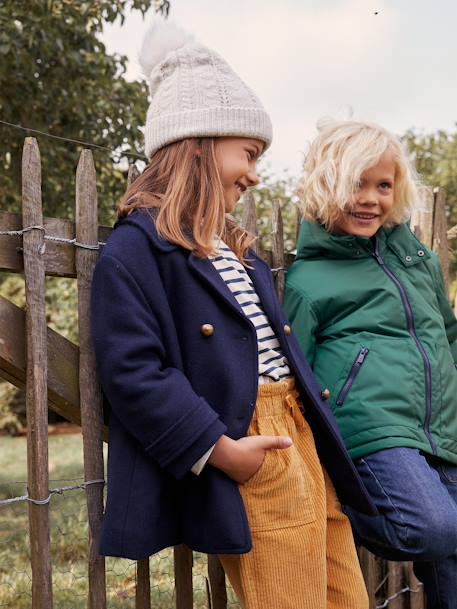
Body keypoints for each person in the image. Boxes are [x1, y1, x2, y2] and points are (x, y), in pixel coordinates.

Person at [91, 24, 374, 609]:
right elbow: (135, 373)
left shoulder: (232, 249)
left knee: (344, 588)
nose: (253, 173)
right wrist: (219, 450)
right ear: (196, 143)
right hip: (251, 440)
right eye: (248, 153)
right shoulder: (136, 251)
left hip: (299, 428)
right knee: (290, 598)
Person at [284, 118, 457, 609]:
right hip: (372, 432)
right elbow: (298, 372)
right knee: (433, 528)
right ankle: (340, 507)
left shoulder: (415, 260)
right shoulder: (310, 280)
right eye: (356, 183)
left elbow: (446, 333)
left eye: (383, 185)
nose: (370, 198)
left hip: (440, 425)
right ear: (325, 185)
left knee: (453, 542)